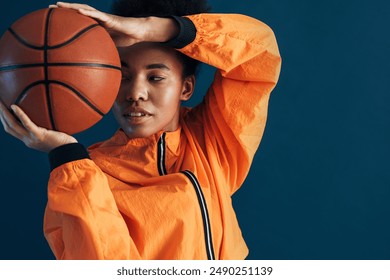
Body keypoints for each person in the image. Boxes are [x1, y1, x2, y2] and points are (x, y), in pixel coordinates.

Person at [0, 0, 281, 259]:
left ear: (186, 88)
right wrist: (65, 154)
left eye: (156, 77)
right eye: (121, 76)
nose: (135, 93)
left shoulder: (211, 144)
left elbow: (258, 51)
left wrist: (152, 28)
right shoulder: (85, 174)